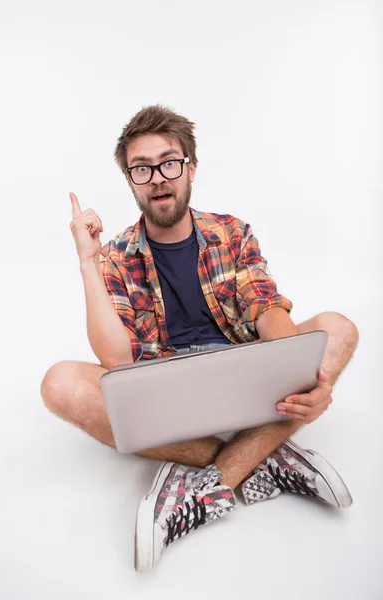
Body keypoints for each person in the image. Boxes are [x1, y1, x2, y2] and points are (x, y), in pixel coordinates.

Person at [40, 104, 359, 573]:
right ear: (130, 181)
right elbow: (116, 359)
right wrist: (88, 260)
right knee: (60, 383)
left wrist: (302, 373)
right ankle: (266, 458)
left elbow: (265, 307)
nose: (158, 178)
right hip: (166, 397)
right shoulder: (115, 256)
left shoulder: (232, 233)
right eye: (142, 169)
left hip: (245, 378)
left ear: (190, 167)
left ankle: (198, 492)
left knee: (339, 327)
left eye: (169, 162)